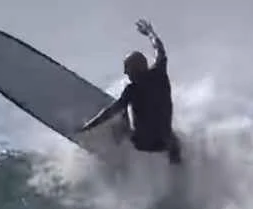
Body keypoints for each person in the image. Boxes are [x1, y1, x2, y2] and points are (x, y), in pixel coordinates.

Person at [77, 19, 182, 165]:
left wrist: (89, 126)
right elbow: (159, 48)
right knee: (174, 140)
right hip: (164, 143)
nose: (125, 73)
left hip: (142, 143)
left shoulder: (132, 90)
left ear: (135, 68)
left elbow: (110, 111)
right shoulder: (160, 72)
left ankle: (118, 143)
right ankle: (177, 163)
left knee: (120, 114)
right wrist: (150, 33)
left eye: (127, 69)